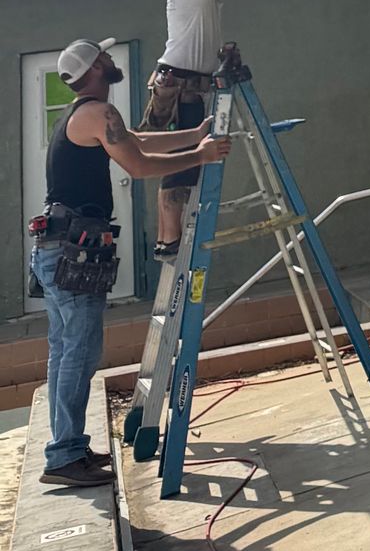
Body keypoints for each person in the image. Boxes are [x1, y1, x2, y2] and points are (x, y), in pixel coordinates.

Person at [35, 38, 230, 488]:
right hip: (70, 250)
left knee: (66, 350)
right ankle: (64, 456)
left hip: (58, 247)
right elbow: (138, 166)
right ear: (96, 67)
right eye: (103, 56)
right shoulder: (98, 113)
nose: (109, 59)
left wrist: (192, 135)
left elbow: (137, 140)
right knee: (77, 353)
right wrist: (199, 157)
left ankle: (68, 448)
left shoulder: (85, 116)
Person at [146, 0, 299, 255]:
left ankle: (170, 240)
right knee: (179, 166)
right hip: (181, 84)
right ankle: (169, 243)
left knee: (185, 161)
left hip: (186, 81)